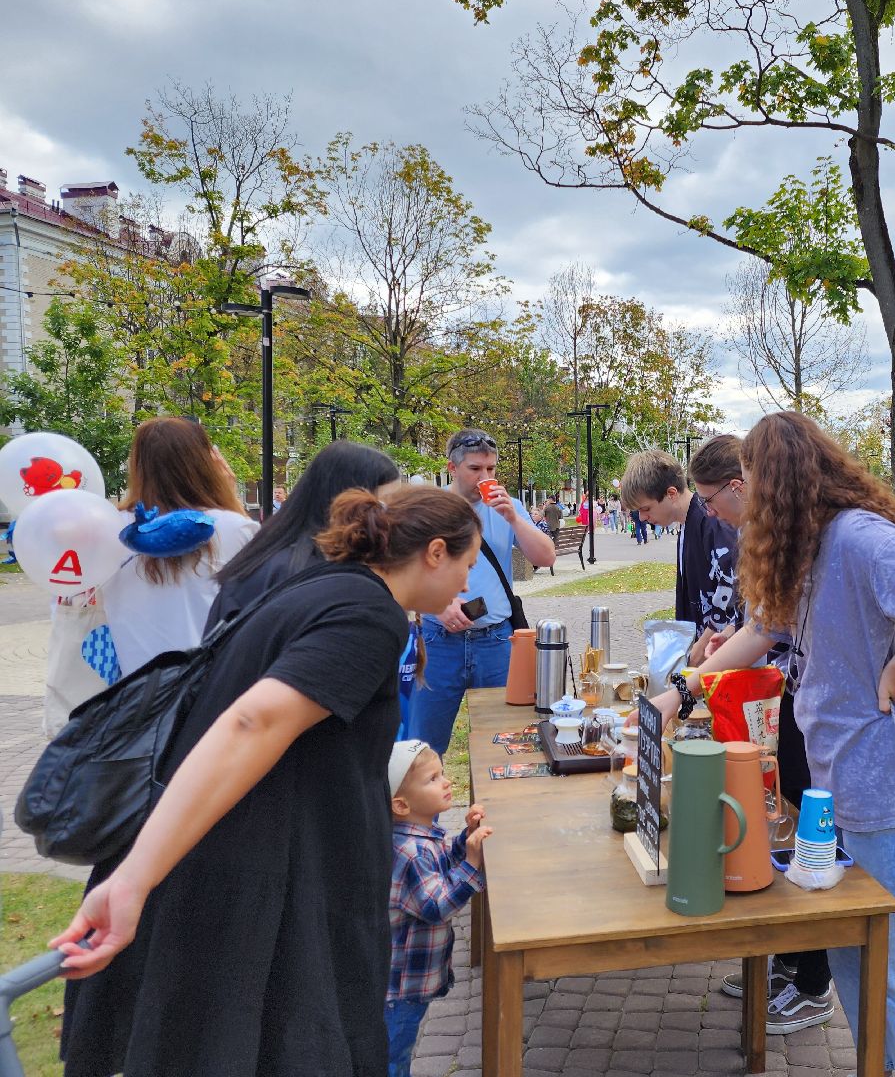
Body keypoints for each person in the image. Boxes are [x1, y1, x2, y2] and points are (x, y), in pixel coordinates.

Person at [54, 484, 485, 1077]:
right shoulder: (367, 614)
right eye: (467, 564)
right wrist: (133, 879)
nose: (468, 583)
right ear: (436, 552)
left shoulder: (327, 586)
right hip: (248, 883)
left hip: (249, 868)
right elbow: (253, 722)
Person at [651, 412, 895, 1077]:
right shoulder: (803, 547)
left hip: (891, 785)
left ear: (772, 479)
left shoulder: (860, 539)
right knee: (848, 944)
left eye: (747, 476)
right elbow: (758, 635)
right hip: (837, 781)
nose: (738, 492)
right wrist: (682, 691)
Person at [688, 434, 834, 1034]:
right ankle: (792, 960)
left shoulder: (827, 537)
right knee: (786, 828)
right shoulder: (780, 539)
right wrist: (697, 677)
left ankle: (815, 984)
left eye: (711, 501)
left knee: (812, 838)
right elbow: (764, 626)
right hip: (798, 702)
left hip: (826, 715)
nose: (710, 515)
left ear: (743, 484)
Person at [407, 429, 556, 757]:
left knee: (502, 744)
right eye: (475, 469)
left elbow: (545, 557)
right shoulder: (428, 509)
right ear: (452, 468)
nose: (485, 477)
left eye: (490, 469)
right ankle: (422, 807)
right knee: (423, 750)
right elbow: (404, 573)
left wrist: (514, 518)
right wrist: (440, 606)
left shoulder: (508, 507)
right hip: (437, 641)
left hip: (496, 642)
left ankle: (489, 810)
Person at [100, 417, 258, 677]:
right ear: (206, 463)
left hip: (134, 693)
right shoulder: (234, 527)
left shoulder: (108, 528)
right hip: (211, 688)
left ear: (138, 466)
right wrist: (231, 501)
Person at [207, 440, 401, 627]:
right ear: (346, 501)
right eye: (384, 506)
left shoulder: (278, 557)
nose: (395, 518)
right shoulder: (313, 575)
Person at [385, 740, 491, 1076]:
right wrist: (472, 864)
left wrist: (465, 838)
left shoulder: (420, 836)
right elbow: (437, 904)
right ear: (401, 804)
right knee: (392, 1056)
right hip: (400, 989)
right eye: (432, 779)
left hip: (406, 984)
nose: (446, 782)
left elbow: (442, 865)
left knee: (397, 1050)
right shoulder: (412, 852)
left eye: (443, 773)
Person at [620, 449, 741, 665]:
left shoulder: (711, 520)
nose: (643, 517)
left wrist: (702, 644)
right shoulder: (688, 524)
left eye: (646, 508)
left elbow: (730, 588)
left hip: (719, 656)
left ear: (672, 493)